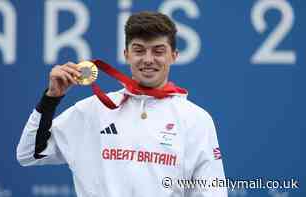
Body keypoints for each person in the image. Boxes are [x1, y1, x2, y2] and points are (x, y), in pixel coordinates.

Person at [17, 11, 227, 197]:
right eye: (139, 50)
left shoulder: (196, 119)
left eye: (158, 51)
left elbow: (211, 191)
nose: (148, 59)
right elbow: (28, 154)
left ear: (174, 56)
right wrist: (51, 98)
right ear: (126, 55)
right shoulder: (93, 110)